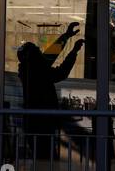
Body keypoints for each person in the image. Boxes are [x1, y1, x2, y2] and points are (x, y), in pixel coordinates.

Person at [16, 21, 86, 158]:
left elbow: (49, 56)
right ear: (34, 57)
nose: (41, 53)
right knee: (45, 156)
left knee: (40, 155)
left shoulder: (30, 69)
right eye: (38, 51)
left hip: (36, 120)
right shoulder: (36, 72)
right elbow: (61, 71)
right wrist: (73, 51)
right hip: (42, 121)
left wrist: (66, 37)